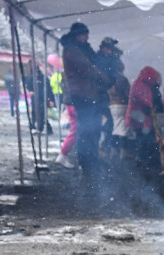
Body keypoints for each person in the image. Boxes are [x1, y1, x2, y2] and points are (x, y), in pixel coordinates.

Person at [59, 22, 114, 191]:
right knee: (87, 131)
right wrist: (105, 78)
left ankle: (90, 163)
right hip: (83, 95)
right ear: (78, 35)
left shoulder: (77, 48)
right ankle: (87, 164)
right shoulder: (73, 50)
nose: (87, 37)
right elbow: (88, 68)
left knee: (91, 130)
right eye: (85, 34)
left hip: (87, 94)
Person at [127, 66, 163, 179]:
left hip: (140, 119)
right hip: (142, 119)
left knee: (143, 142)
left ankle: (142, 166)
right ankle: (145, 168)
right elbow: (146, 101)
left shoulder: (141, 84)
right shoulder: (143, 86)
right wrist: (150, 106)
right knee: (145, 143)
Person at [94, 37, 124, 159]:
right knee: (100, 123)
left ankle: (103, 148)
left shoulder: (107, 59)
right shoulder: (100, 59)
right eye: (108, 48)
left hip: (103, 97)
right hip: (99, 96)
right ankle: (101, 148)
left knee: (107, 123)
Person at [108, 61, 132, 161]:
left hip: (112, 105)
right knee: (124, 130)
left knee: (115, 129)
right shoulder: (123, 79)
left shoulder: (109, 78)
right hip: (122, 105)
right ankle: (123, 153)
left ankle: (113, 151)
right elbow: (128, 93)